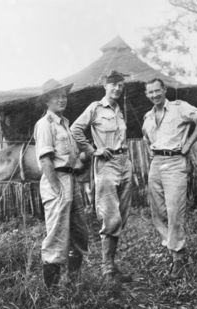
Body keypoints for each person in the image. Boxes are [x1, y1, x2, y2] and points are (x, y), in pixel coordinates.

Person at [142, 78, 197, 278]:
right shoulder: (147, 116)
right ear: (147, 94)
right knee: (158, 212)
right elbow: (146, 138)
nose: (154, 95)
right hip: (156, 163)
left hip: (174, 163)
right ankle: (175, 249)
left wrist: (188, 144)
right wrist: (151, 153)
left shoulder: (179, 108)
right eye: (150, 92)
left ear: (164, 90)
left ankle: (178, 258)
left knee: (174, 210)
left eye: (157, 91)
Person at [70, 70, 133, 284]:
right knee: (111, 217)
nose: (117, 89)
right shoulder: (95, 108)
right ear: (105, 86)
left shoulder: (119, 110)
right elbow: (75, 129)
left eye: (120, 86)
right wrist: (91, 149)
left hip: (124, 163)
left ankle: (112, 266)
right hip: (106, 165)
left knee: (121, 217)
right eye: (113, 85)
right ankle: (106, 270)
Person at [34, 79, 89, 288]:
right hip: (56, 179)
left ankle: (74, 283)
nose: (62, 99)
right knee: (57, 235)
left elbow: (72, 155)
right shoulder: (45, 124)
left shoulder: (64, 123)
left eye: (64, 95)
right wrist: (57, 188)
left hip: (70, 179)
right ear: (46, 100)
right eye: (56, 96)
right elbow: (46, 160)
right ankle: (53, 293)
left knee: (78, 232)